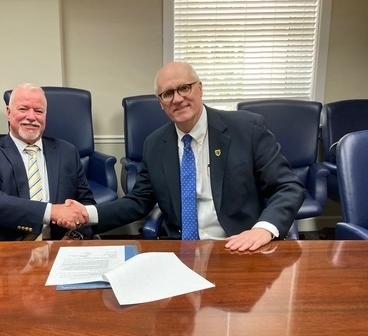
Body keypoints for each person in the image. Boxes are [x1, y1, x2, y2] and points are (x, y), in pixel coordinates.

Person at [63, 61, 305, 251]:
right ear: (161, 103)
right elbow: (138, 202)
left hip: (238, 244)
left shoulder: (246, 129)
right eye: (167, 94)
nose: (177, 99)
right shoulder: (155, 144)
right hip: (179, 250)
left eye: (184, 88)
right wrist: (86, 214)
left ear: (199, 88)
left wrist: (263, 229)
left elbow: (287, 187)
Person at [0, 83, 93, 241]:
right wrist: (51, 211)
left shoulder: (67, 151)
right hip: (1, 247)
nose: (31, 117)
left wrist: (75, 236)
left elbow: (85, 203)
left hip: (57, 245)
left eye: (39, 111)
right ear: (9, 113)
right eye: (23, 109)